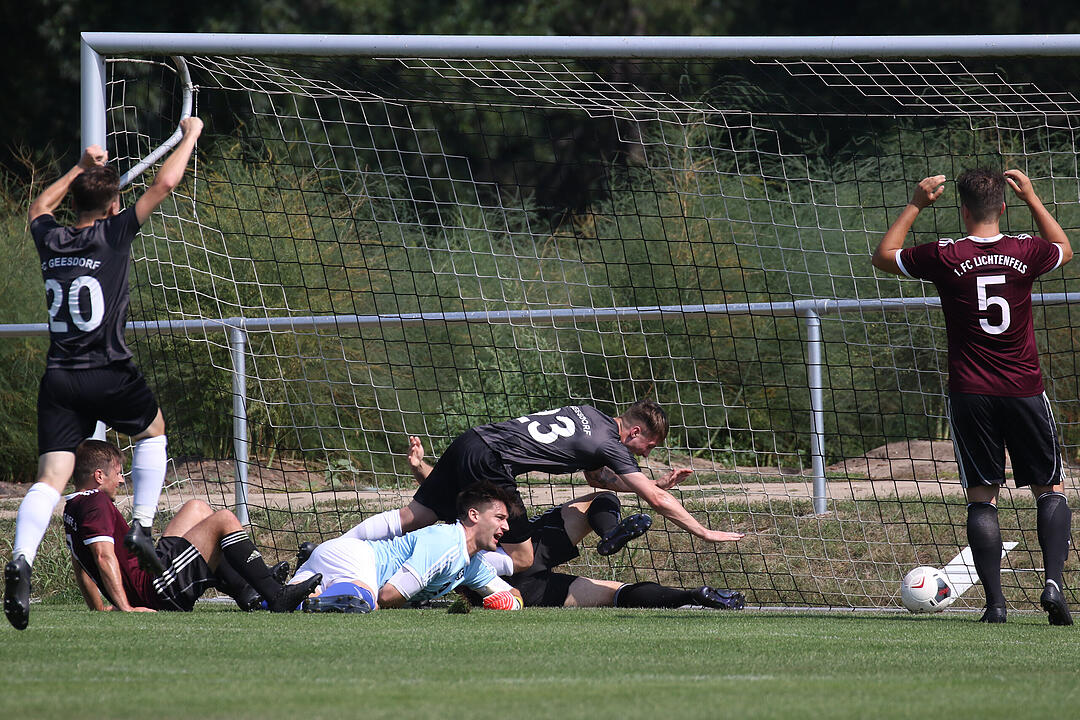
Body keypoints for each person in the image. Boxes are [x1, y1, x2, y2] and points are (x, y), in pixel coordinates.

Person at [5, 117, 205, 630]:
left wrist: (78, 166)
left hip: (61, 378)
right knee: (153, 430)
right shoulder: (115, 234)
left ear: (73, 204)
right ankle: (139, 525)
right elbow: (165, 183)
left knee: (51, 477)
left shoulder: (50, 239)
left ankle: (20, 558)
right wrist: (191, 136)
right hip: (108, 370)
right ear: (114, 206)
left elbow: (38, 207)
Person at [872, 168, 1073, 625]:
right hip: (1024, 388)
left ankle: (995, 605)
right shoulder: (1026, 250)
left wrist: (917, 203)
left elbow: (883, 255)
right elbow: (1065, 247)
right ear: (1002, 206)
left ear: (962, 210)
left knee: (983, 497)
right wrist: (1035, 200)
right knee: (1050, 489)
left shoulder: (945, 255)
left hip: (970, 393)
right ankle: (1053, 583)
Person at [341, 400, 744, 576]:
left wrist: (650, 481)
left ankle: (339, 550)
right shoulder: (610, 443)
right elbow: (655, 500)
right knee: (521, 557)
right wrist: (704, 531)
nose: (645, 452)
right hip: (493, 462)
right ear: (635, 431)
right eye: (648, 447)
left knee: (416, 516)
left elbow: (598, 479)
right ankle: (443, 577)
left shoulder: (590, 415)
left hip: (471, 441)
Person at [406, 438, 745, 610]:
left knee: (614, 593)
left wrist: (419, 467)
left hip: (509, 589)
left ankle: (690, 595)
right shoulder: (471, 523)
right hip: (528, 550)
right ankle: (617, 538)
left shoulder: (456, 529)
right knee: (601, 503)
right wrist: (655, 488)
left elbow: (443, 488)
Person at [62, 440, 320, 614]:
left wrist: (99, 610)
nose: (121, 479)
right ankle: (277, 596)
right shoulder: (95, 502)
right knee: (224, 520)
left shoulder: (73, 507)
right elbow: (102, 556)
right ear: (98, 476)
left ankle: (247, 590)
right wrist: (126, 609)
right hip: (156, 589)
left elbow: (81, 566)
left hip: (151, 575)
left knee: (197, 508)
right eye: (117, 472)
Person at [292, 482, 524, 613]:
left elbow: (513, 594)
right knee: (369, 603)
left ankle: (282, 595)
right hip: (357, 559)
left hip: (336, 557)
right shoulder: (447, 545)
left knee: (285, 601)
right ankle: (321, 597)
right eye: (499, 518)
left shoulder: (471, 562)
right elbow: (388, 595)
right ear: (474, 515)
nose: (505, 527)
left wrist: (510, 604)